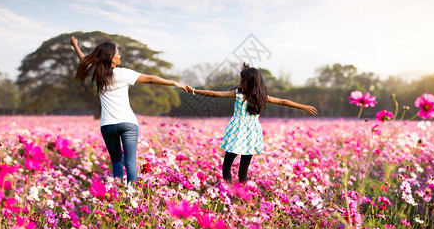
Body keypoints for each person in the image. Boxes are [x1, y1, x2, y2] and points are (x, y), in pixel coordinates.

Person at [70, 36, 188, 184]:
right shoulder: (122, 74)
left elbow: (84, 60)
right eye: (117, 54)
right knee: (131, 161)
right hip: (128, 123)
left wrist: (75, 46)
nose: (120, 56)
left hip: (108, 125)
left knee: (116, 161)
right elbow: (150, 79)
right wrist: (174, 83)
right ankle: (132, 194)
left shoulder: (95, 74)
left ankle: (119, 193)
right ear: (111, 58)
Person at [186, 64, 318, 183]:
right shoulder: (261, 97)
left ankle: (229, 190)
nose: (239, 81)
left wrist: (194, 91)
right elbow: (283, 101)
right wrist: (303, 106)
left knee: (227, 165)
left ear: (246, 81)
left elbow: (213, 94)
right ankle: (241, 195)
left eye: (241, 79)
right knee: (243, 170)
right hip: (251, 133)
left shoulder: (237, 94)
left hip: (237, 132)